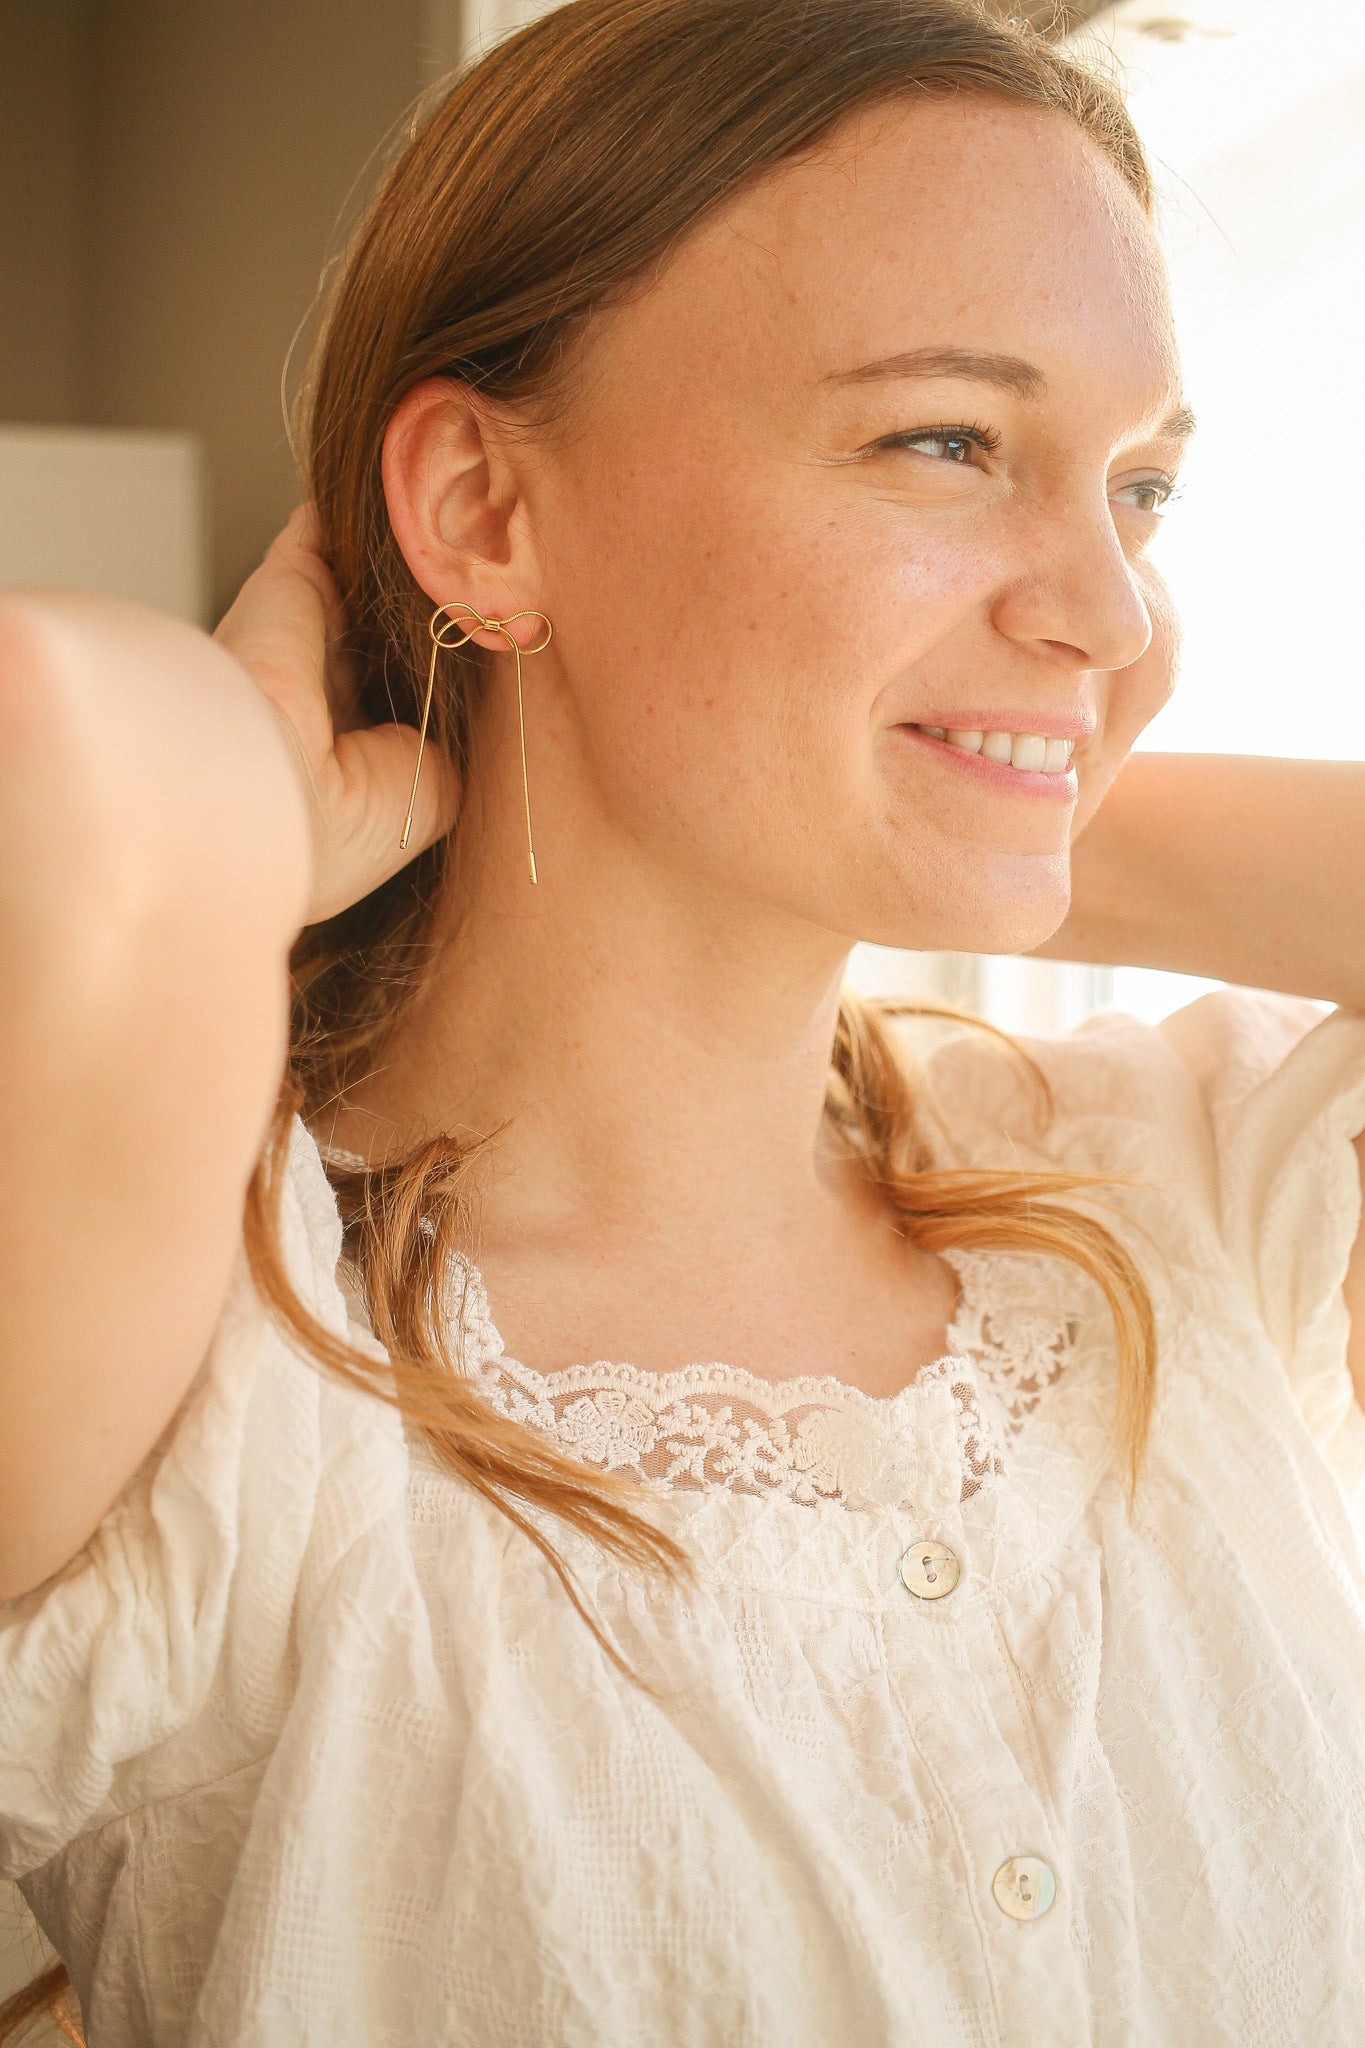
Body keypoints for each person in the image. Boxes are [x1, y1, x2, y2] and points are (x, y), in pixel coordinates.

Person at [3, 0, 1365, 2040]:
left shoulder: (1157, 1184)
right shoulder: (241, 1350)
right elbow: (68, 761)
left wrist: (991, 780)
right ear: (483, 511)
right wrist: (277, 779)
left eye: (1139, 488)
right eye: (944, 441)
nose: (1112, 611)